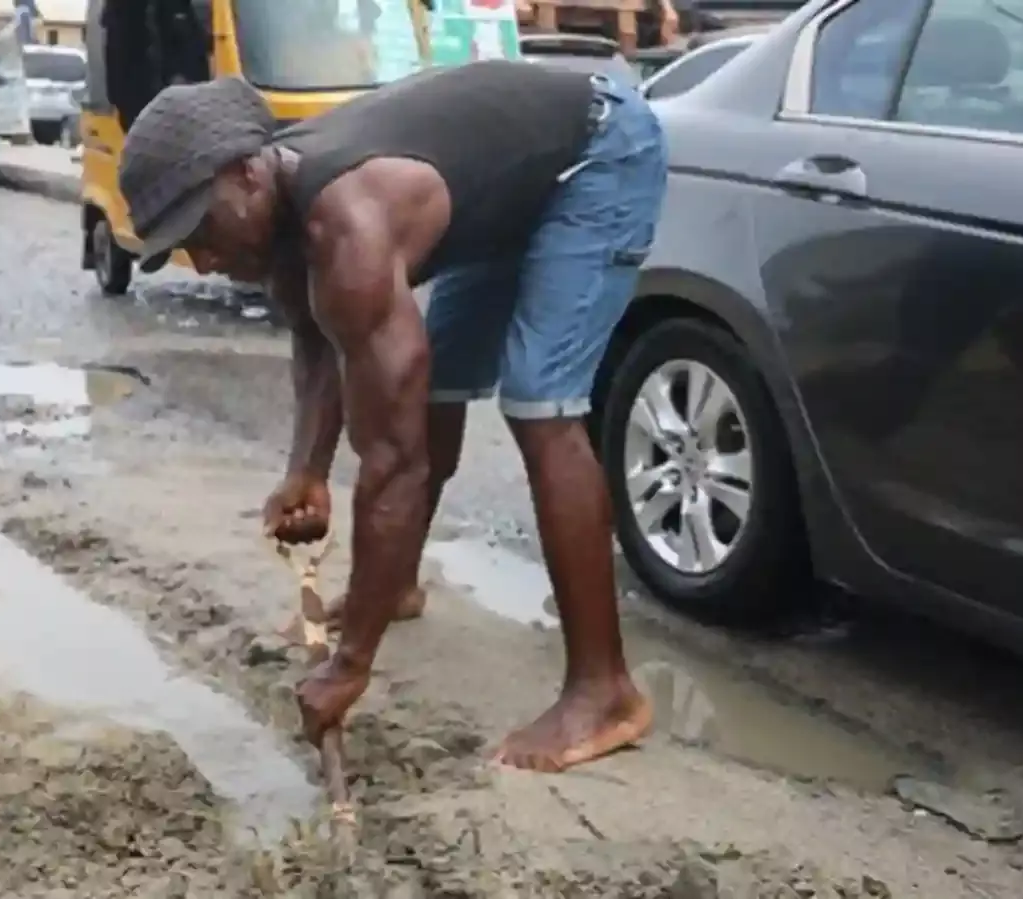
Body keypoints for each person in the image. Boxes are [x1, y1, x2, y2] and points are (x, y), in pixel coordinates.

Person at [117, 60, 666, 772]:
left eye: (201, 227)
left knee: (539, 403)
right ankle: (397, 584)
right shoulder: (281, 217)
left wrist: (350, 663)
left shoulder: (347, 222)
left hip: (593, 152)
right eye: (183, 247)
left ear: (247, 174)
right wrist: (305, 471)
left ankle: (606, 689)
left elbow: (395, 463)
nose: (202, 257)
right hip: (496, 190)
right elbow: (319, 341)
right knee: (430, 384)